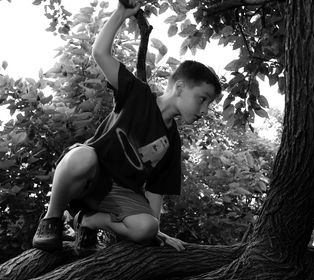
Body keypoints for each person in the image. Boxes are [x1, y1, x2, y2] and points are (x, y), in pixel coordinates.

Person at [32, 0, 221, 253]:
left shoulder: (172, 141)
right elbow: (100, 53)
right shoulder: (137, 94)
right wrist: (121, 13)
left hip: (121, 194)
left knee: (146, 228)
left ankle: (87, 222)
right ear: (179, 88)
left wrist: (156, 231)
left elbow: (156, 192)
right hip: (90, 174)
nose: (204, 110)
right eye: (202, 99)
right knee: (81, 157)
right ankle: (52, 219)